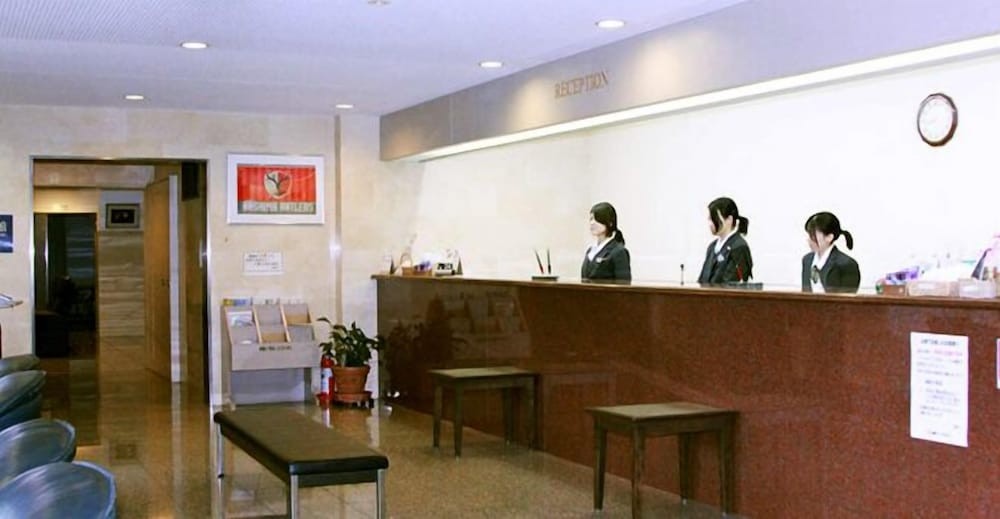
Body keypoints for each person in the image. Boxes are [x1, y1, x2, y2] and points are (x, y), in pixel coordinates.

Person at [698, 197, 753, 284]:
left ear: (729, 220)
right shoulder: (712, 247)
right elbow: (702, 280)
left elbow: (731, 284)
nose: (710, 223)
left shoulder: (739, 247)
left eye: (714, 219)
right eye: (710, 219)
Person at [801, 211, 860, 293]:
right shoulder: (807, 260)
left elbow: (846, 298)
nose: (809, 240)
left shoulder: (847, 264)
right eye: (808, 235)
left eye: (813, 236)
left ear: (829, 237)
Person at [581, 202, 631, 282]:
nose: (592, 223)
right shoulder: (590, 251)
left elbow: (623, 284)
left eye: (597, 219)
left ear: (610, 223)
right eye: (591, 219)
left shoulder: (618, 251)